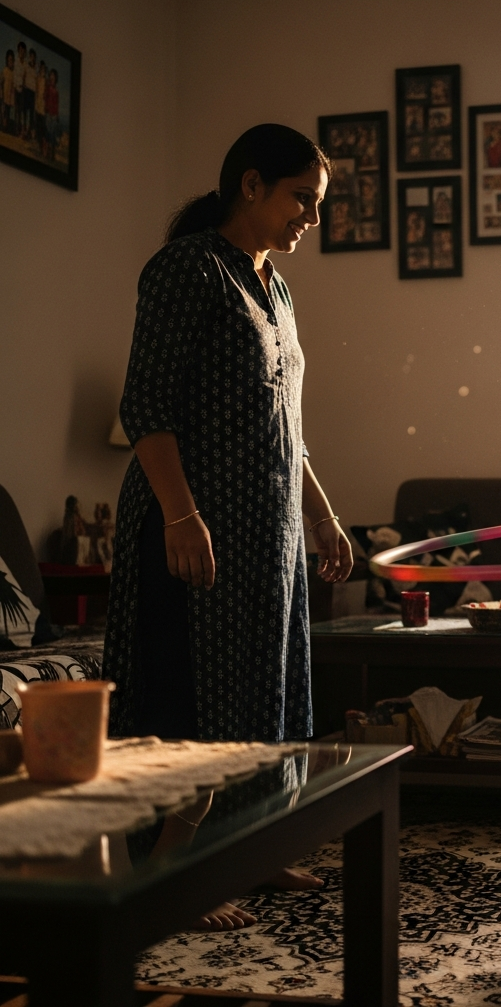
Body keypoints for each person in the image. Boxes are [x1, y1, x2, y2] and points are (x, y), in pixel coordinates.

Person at [105, 123, 353, 930]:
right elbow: (145, 408)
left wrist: (322, 515)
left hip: (266, 534)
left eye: (316, 203)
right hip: (194, 527)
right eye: (301, 198)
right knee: (191, 696)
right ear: (251, 184)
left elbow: (288, 425)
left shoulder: (275, 287)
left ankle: (252, 846)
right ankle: (173, 871)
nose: (311, 217)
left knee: (263, 694)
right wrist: (182, 516)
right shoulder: (188, 268)